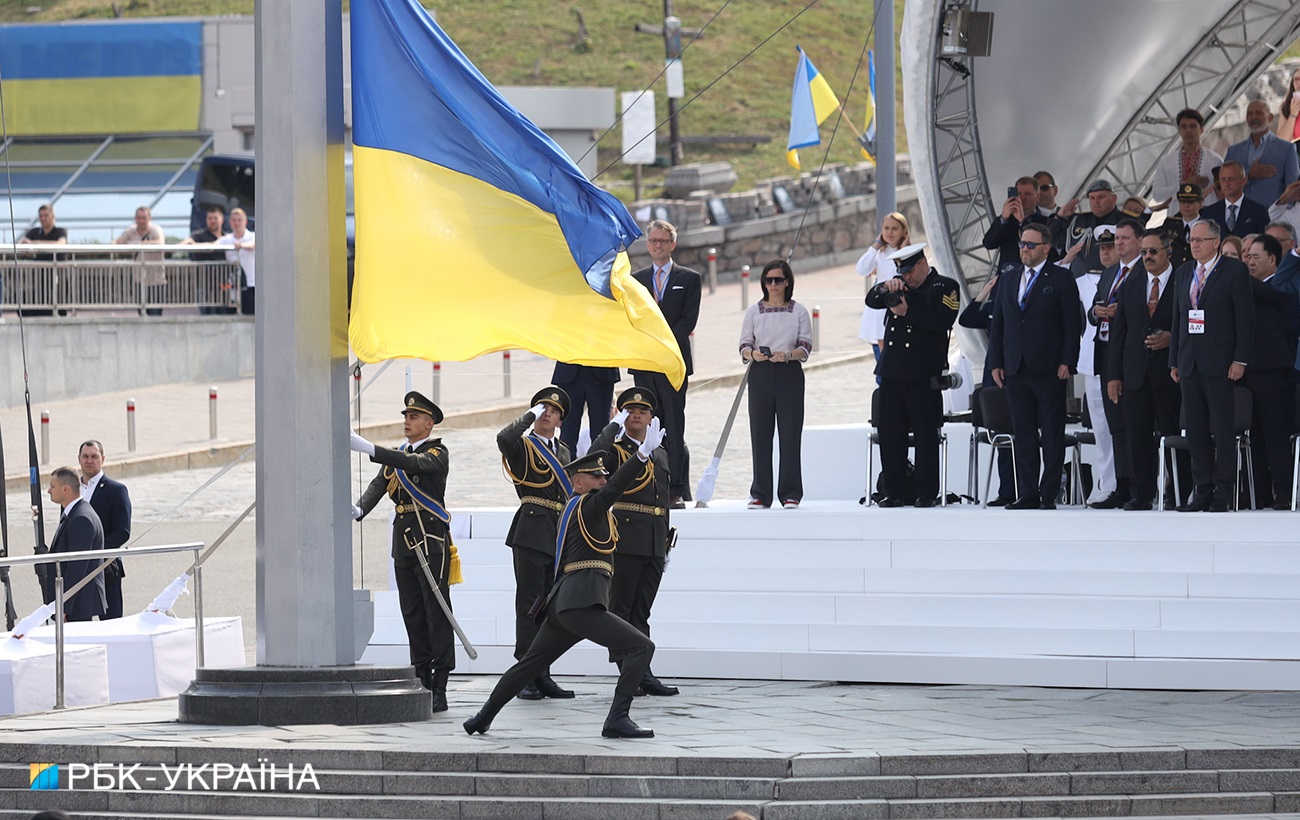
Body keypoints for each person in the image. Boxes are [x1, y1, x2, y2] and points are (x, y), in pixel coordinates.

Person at [463, 442, 664, 740]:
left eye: (603, 476)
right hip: (582, 603)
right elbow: (616, 490)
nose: (603, 481)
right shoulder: (586, 505)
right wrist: (641, 456)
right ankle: (617, 718)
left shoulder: (573, 510)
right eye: (596, 478)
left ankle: (482, 717)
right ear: (579, 482)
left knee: (530, 664)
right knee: (641, 647)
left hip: (564, 605)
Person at [351, 391, 456, 711]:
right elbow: (378, 485)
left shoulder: (437, 452)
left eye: (414, 417)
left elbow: (414, 463)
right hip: (405, 542)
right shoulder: (397, 455)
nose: (407, 422)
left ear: (429, 423)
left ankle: (440, 684)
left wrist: (371, 449)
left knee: (436, 611)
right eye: (405, 417)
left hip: (431, 541)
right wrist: (357, 509)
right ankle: (421, 675)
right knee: (412, 612)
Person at [590, 387, 679, 697]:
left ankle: (641, 669)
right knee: (621, 609)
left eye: (642, 411)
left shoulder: (660, 451)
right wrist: (613, 425)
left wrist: (665, 544)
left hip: (655, 540)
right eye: (631, 410)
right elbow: (593, 457)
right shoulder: (615, 451)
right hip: (627, 538)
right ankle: (630, 670)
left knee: (642, 611)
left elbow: (664, 499)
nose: (637, 414)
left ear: (651, 417)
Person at [988, 223, 1081, 509]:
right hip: (1016, 367)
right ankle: (1027, 492)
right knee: (1024, 432)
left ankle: (1048, 492)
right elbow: (1000, 323)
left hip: (1049, 367)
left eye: (1030, 245)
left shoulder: (1061, 278)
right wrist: (996, 362)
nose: (1024, 249)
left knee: (1052, 431)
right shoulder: (1010, 277)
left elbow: (1072, 324)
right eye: (1022, 244)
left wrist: (1068, 360)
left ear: (1045, 248)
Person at [1167, 220, 1254, 512]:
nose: (1195, 245)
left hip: (1220, 362)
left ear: (1216, 242)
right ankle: (1201, 491)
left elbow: (1244, 319)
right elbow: (1178, 319)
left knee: (1222, 428)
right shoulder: (1183, 273)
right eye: (1192, 240)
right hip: (1189, 362)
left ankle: (1223, 492)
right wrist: (1174, 361)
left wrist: (1239, 359)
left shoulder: (1234, 271)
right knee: (1195, 430)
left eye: (1201, 240)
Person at [864, 244, 959, 507]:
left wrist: (908, 312)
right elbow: (872, 299)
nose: (906, 277)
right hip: (892, 371)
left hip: (923, 373)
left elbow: (943, 321)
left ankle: (926, 491)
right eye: (901, 272)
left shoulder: (943, 287)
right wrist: (887, 287)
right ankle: (894, 490)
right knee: (890, 434)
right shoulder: (899, 285)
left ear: (922, 265)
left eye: (909, 271)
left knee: (925, 435)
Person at [496, 386, 575, 701]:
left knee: (549, 609)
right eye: (543, 409)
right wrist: (528, 415)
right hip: (531, 531)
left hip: (557, 534)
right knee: (529, 606)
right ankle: (525, 674)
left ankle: (544, 673)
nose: (547, 414)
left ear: (560, 420)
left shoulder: (565, 452)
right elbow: (503, 439)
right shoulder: (523, 446)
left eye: (553, 412)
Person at [1107, 229, 1188, 510]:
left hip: (1170, 372)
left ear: (1168, 252)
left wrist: (1171, 338)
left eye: (1153, 251)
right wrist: (1114, 375)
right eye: (1144, 252)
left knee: (1173, 434)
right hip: (1135, 373)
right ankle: (1141, 494)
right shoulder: (1131, 283)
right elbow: (1119, 332)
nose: (1148, 257)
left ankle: (1178, 491)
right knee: (1137, 435)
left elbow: (1193, 322)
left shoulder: (1184, 279)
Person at [630, 219, 700, 508]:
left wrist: (665, 345)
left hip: (673, 363)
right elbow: (632, 319)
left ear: (673, 244)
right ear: (648, 245)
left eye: (663, 241)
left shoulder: (689, 278)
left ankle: (675, 487)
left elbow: (688, 320)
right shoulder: (637, 280)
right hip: (645, 364)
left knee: (673, 423)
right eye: (653, 241)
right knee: (646, 423)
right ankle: (651, 483)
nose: (658, 245)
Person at [739, 260, 813, 509]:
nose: (773, 285)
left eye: (778, 280)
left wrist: (788, 355)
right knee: (760, 433)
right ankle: (760, 492)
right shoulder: (754, 311)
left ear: (787, 282)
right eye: (768, 280)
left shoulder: (799, 311)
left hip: (789, 373)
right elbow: (744, 344)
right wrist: (752, 354)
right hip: (760, 372)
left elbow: (805, 347)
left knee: (790, 433)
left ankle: (791, 492)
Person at [1086, 219, 1145, 508]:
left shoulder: (1144, 272)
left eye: (1124, 238)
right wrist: (1097, 312)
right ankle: (1121, 486)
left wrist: (1121, 311)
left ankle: (1139, 486)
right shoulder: (1110, 273)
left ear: (1139, 241)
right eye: (1116, 239)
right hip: (1107, 354)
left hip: (1132, 357)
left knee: (1135, 424)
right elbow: (1093, 311)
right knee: (1116, 427)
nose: (1119, 243)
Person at [1241, 235, 1298, 509]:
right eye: (1247, 257)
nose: (1249, 262)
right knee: (1255, 435)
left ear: (1273, 260)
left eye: (1255, 257)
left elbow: (1282, 304)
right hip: (1244, 371)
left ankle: (1284, 492)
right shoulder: (1244, 288)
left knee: (1275, 433)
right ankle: (1258, 491)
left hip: (1273, 369)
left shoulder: (1283, 286)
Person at [959, 274, 1016, 505]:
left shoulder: (1019, 306)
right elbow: (967, 318)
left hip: (1014, 373)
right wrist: (984, 293)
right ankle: (1006, 492)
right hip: (994, 374)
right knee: (1000, 434)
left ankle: (1022, 490)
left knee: (1018, 437)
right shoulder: (992, 307)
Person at [1077, 227, 1121, 505]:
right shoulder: (1082, 280)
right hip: (1092, 359)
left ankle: (1126, 481)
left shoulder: (1130, 276)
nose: (1105, 253)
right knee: (1101, 427)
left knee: (1121, 425)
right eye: (1101, 249)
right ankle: (1107, 482)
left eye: (1110, 247)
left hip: (1119, 361)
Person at [45, 466, 107, 622]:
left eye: (53, 486)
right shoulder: (75, 512)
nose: (49, 491)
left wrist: (64, 605)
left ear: (65, 489)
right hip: (76, 603)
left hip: (78, 605)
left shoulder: (81, 519)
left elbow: (77, 567)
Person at [78, 440, 131, 620]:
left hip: (106, 567)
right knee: (79, 623)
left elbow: (123, 531)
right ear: (79, 459)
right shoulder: (71, 489)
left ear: (103, 459)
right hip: (78, 567)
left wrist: (94, 551)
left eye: (94, 456)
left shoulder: (116, 490)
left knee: (111, 622)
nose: (89, 460)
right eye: (85, 456)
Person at [856, 212, 911, 371]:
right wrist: (875, 246)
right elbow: (861, 269)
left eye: (894, 228)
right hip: (880, 310)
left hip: (901, 307)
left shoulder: (908, 250)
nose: (890, 232)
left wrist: (904, 250)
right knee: (883, 365)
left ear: (903, 231)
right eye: (886, 228)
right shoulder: (879, 252)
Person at [1224, 100, 1300, 208]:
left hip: (1273, 218)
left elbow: (1294, 189)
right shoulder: (1234, 151)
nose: (1254, 117)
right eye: (1250, 114)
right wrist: (1249, 174)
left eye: (1259, 113)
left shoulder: (1286, 149)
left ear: (1270, 118)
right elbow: (1223, 183)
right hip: (1240, 217)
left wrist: (1284, 218)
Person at [1152, 108, 1223, 206]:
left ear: (1201, 129)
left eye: (1193, 126)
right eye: (1184, 127)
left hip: (1207, 216)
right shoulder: (1166, 162)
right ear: (1179, 130)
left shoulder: (1215, 160)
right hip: (1176, 217)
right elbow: (1157, 195)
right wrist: (1183, 183)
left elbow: (1224, 192)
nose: (1188, 130)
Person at [550, 362, 619, 456]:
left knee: (601, 430)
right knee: (568, 430)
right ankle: (566, 467)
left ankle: (601, 466)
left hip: (602, 367)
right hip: (569, 367)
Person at [1059, 179, 1123, 274]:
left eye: (1101, 197)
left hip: (1112, 280)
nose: (1096, 202)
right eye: (1092, 198)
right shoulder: (1078, 220)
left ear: (1114, 198)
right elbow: (1054, 241)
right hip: (1079, 281)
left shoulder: (1126, 222)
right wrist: (1059, 217)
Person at [982, 176, 1042, 277]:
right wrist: (1003, 218)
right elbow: (989, 243)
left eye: (1027, 194)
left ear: (1037, 197)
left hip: (1032, 279)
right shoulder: (1007, 221)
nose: (1022, 198)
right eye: (1018, 194)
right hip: (1007, 279)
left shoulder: (1045, 221)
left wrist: (1022, 221)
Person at [16, 204, 67, 317]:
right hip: (39, 278)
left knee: (58, 305)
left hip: (56, 277)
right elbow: (20, 244)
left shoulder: (60, 231)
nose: (43, 218)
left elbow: (61, 244)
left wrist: (35, 243)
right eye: (41, 216)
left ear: (52, 216)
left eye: (46, 215)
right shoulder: (35, 232)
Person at [115, 206, 166, 317]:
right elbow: (118, 242)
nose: (141, 221)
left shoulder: (156, 230)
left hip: (156, 280)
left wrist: (139, 244)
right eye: (139, 218)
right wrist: (126, 240)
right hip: (139, 280)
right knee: (141, 314)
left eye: (144, 218)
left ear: (149, 218)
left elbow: (160, 243)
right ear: (135, 218)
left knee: (156, 314)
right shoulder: (131, 231)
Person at [181, 206, 230, 315]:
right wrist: (188, 244)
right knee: (207, 316)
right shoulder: (199, 235)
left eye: (215, 218)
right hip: (204, 284)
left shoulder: (227, 238)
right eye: (210, 218)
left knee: (225, 315)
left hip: (225, 285)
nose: (212, 221)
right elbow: (186, 242)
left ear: (222, 219)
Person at [1202, 162, 1269, 239]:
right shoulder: (1209, 213)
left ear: (1244, 181)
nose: (1227, 184)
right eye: (1223, 180)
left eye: (1231, 179)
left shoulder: (1259, 212)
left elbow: (1264, 244)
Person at [215, 207, 255, 315]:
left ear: (245, 222)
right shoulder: (226, 239)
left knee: (250, 316)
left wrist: (241, 246)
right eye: (234, 220)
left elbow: (253, 245)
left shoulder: (253, 236)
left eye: (239, 220)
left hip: (251, 284)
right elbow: (212, 245)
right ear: (230, 222)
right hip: (233, 286)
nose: (236, 223)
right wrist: (192, 243)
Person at [1164, 183, 1207, 268]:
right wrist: (1148, 211)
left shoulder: (1207, 227)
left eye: (1190, 202)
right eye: (1182, 201)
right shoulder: (1170, 224)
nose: (1186, 205)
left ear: (1200, 203)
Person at [1276, 67, 1300, 151]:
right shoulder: (1286, 107)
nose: (1298, 82)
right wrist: (1292, 115)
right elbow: (1282, 141)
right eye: (1295, 79)